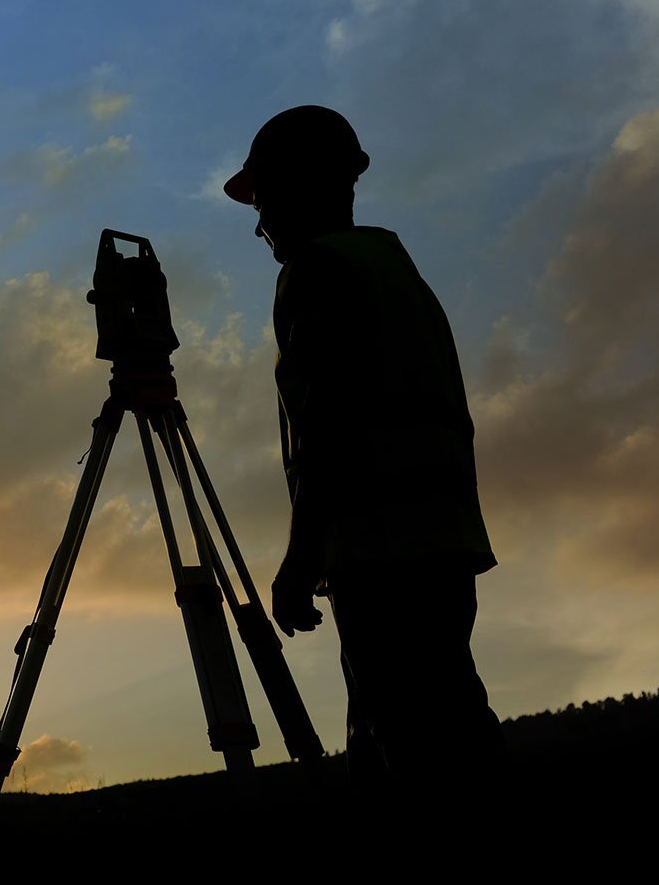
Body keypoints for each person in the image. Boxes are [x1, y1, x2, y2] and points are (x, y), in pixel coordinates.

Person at [223, 105, 506, 801]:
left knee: (417, 753)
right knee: (449, 732)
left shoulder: (317, 273)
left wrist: (299, 559)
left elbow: (332, 424)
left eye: (263, 202)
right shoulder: (390, 265)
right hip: (443, 543)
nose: (259, 226)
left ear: (297, 188)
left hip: (383, 553)